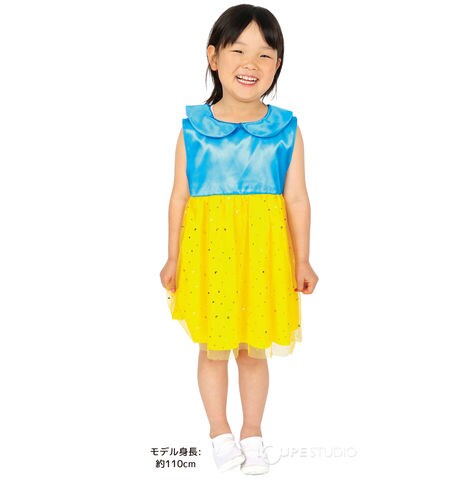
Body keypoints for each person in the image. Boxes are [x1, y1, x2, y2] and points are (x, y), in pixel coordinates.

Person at [159, 4, 318, 475]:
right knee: (213, 349)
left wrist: (303, 260)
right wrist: (172, 258)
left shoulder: (286, 130)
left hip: (263, 256)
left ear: (277, 65)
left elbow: (297, 199)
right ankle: (219, 432)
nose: (251, 64)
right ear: (214, 57)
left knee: (253, 350)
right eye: (238, 51)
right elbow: (179, 198)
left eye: (265, 55)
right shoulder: (193, 130)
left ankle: (252, 432)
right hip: (210, 255)